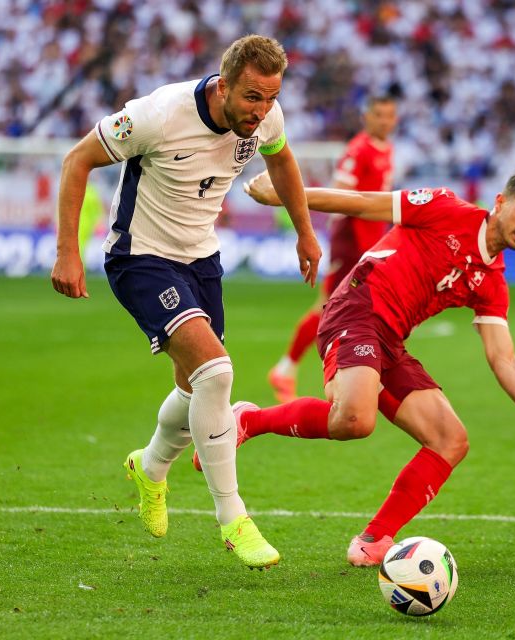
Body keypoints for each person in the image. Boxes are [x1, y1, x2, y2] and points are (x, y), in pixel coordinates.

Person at [212, 169, 515, 567]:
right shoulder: (444, 207)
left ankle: (375, 538)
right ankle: (250, 420)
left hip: (390, 340)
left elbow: (503, 359)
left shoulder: (491, 280)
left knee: (451, 440)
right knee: (356, 420)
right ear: (499, 203)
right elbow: (362, 203)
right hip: (357, 309)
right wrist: (288, 196)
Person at [50, 35, 322, 570]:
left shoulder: (266, 117)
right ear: (224, 85)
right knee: (217, 374)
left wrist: (305, 233)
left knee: (193, 384)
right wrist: (67, 254)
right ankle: (233, 518)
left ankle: (149, 469)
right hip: (141, 257)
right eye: (251, 97)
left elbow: (284, 162)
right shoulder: (158, 114)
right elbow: (76, 160)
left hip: (201, 259)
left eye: (270, 98)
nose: (261, 111)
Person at [267, 95, 398, 403]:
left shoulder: (387, 149)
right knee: (330, 307)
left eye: (390, 116)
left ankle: (365, 374)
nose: (385, 121)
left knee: (363, 307)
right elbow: (339, 193)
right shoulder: (358, 150)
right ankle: (289, 369)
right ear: (366, 117)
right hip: (351, 240)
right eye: (379, 115)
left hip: (371, 241)